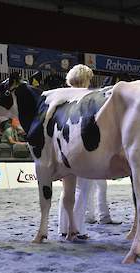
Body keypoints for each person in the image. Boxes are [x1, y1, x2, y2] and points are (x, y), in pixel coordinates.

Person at [58, 64, 118, 240]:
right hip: (81, 147)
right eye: (89, 79)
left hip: (64, 147)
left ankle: (65, 227)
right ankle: (77, 228)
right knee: (82, 189)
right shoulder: (87, 97)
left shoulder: (63, 96)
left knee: (67, 189)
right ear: (85, 79)